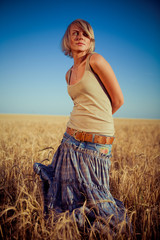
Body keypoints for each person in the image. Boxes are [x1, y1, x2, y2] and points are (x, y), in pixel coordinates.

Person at [33, 19, 131, 237]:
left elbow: (118, 100)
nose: (79, 37)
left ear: (91, 40)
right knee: (66, 198)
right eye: (74, 34)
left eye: (84, 34)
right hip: (70, 138)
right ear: (68, 40)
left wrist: (96, 125)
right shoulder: (68, 74)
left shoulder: (95, 60)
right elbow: (81, 103)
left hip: (96, 143)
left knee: (101, 204)